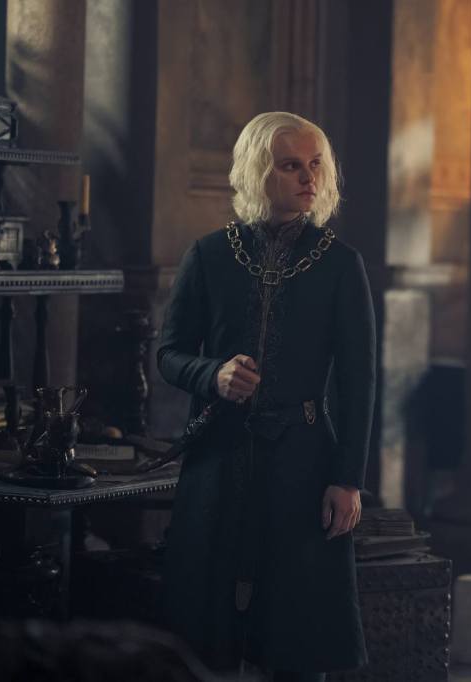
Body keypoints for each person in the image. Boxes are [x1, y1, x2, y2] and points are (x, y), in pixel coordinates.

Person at [157, 111, 376, 682]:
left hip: (304, 463)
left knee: (296, 642)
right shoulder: (209, 255)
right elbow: (168, 354)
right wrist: (213, 375)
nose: (308, 178)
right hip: (218, 459)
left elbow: (359, 383)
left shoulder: (340, 264)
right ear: (258, 172)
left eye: (315, 165)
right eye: (290, 166)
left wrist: (348, 479)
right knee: (205, 641)